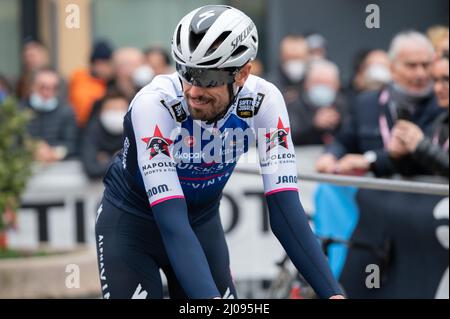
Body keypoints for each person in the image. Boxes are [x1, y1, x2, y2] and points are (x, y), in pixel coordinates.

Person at [95, 5, 344, 299]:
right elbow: (171, 221)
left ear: (243, 73)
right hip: (132, 225)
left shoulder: (264, 100)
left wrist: (332, 293)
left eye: (208, 77)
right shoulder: (155, 105)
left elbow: (285, 209)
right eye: (186, 72)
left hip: (201, 223)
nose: (193, 91)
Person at [316, 31, 443, 177]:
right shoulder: (366, 103)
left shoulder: (442, 106)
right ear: (392, 67)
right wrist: (330, 155)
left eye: (426, 65)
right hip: (374, 195)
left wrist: (370, 160)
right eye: (411, 65)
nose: (420, 74)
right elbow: (344, 141)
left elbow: (428, 157)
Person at [388, 52, 449, 177]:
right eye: (435, 80)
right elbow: (425, 171)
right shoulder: (441, 122)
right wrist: (400, 156)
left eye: (446, 79)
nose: (438, 88)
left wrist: (421, 145)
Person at [21, 68, 78, 164]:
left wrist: (55, 152)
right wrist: (32, 148)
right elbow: (12, 142)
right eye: (42, 87)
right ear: (32, 86)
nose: (47, 93)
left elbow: (72, 144)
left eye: (53, 88)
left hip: (57, 170)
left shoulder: (66, 111)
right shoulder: (20, 110)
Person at [287, 59, 348, 145]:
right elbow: (288, 137)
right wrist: (314, 125)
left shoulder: (345, 104)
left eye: (327, 82)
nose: (322, 86)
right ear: (306, 84)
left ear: (337, 85)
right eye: (317, 82)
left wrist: (338, 123)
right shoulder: (294, 106)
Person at [80, 90, 128, 179]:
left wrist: (110, 159)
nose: (117, 113)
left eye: (121, 109)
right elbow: (91, 169)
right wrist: (122, 158)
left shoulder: (134, 130)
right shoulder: (93, 129)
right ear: (101, 112)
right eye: (112, 109)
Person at [69, 40, 115, 127]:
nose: (103, 68)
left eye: (106, 64)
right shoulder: (79, 78)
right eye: (99, 64)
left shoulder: (113, 83)